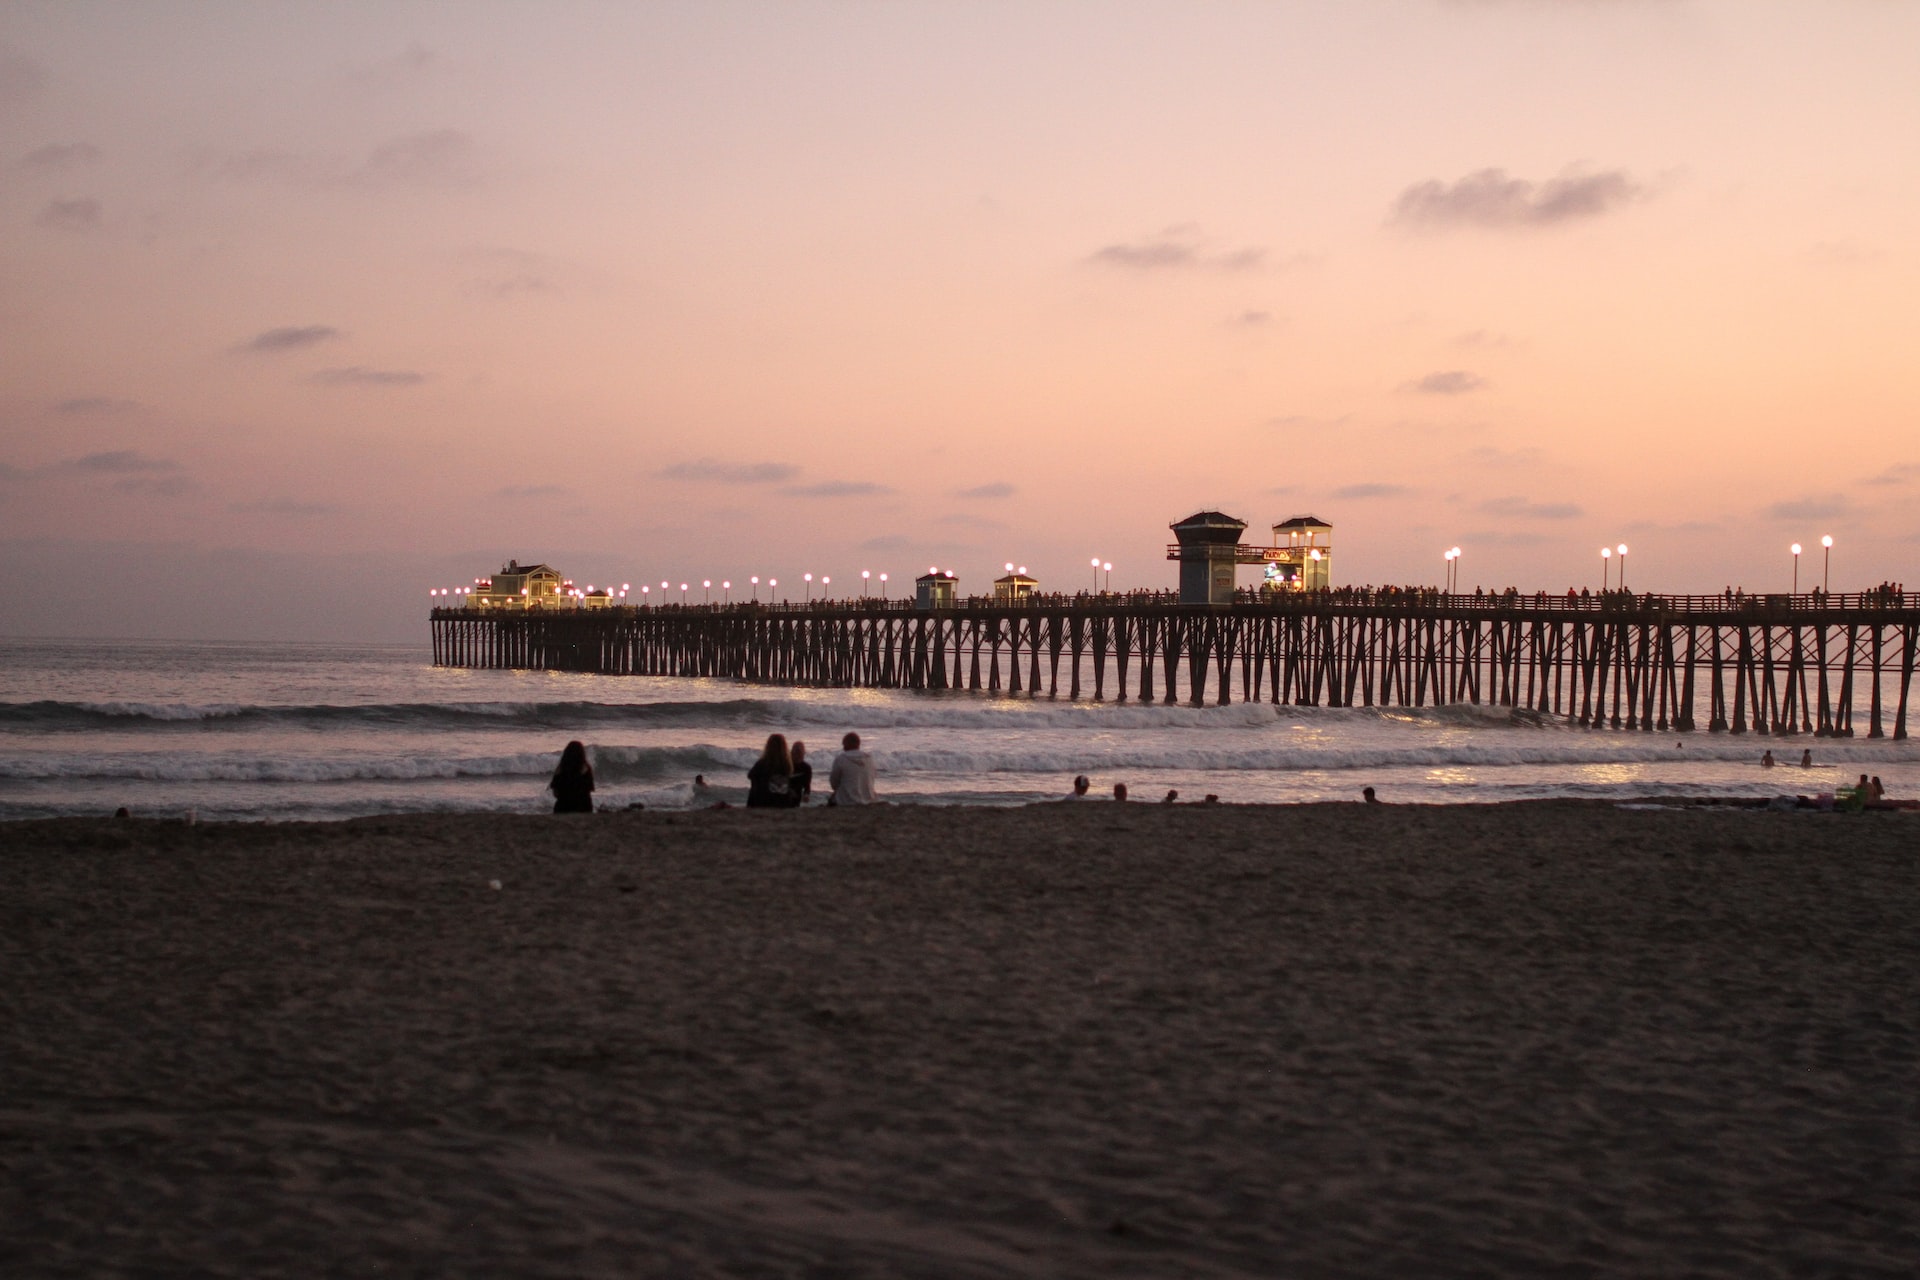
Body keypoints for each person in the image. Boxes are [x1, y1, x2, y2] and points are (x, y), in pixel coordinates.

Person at [746, 733, 801, 808]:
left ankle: (751, 805)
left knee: (755, 781)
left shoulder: (763, 762)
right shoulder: (786, 764)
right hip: (783, 800)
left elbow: (750, 775)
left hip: (764, 800)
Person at [827, 731, 876, 806]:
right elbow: (873, 778)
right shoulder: (869, 759)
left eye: (843, 745)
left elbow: (834, 784)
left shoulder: (841, 759)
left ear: (846, 745)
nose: (843, 748)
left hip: (846, 801)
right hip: (869, 799)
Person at [549, 740, 595, 814]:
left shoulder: (561, 769)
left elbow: (555, 793)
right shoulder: (585, 769)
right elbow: (589, 789)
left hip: (563, 807)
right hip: (583, 807)